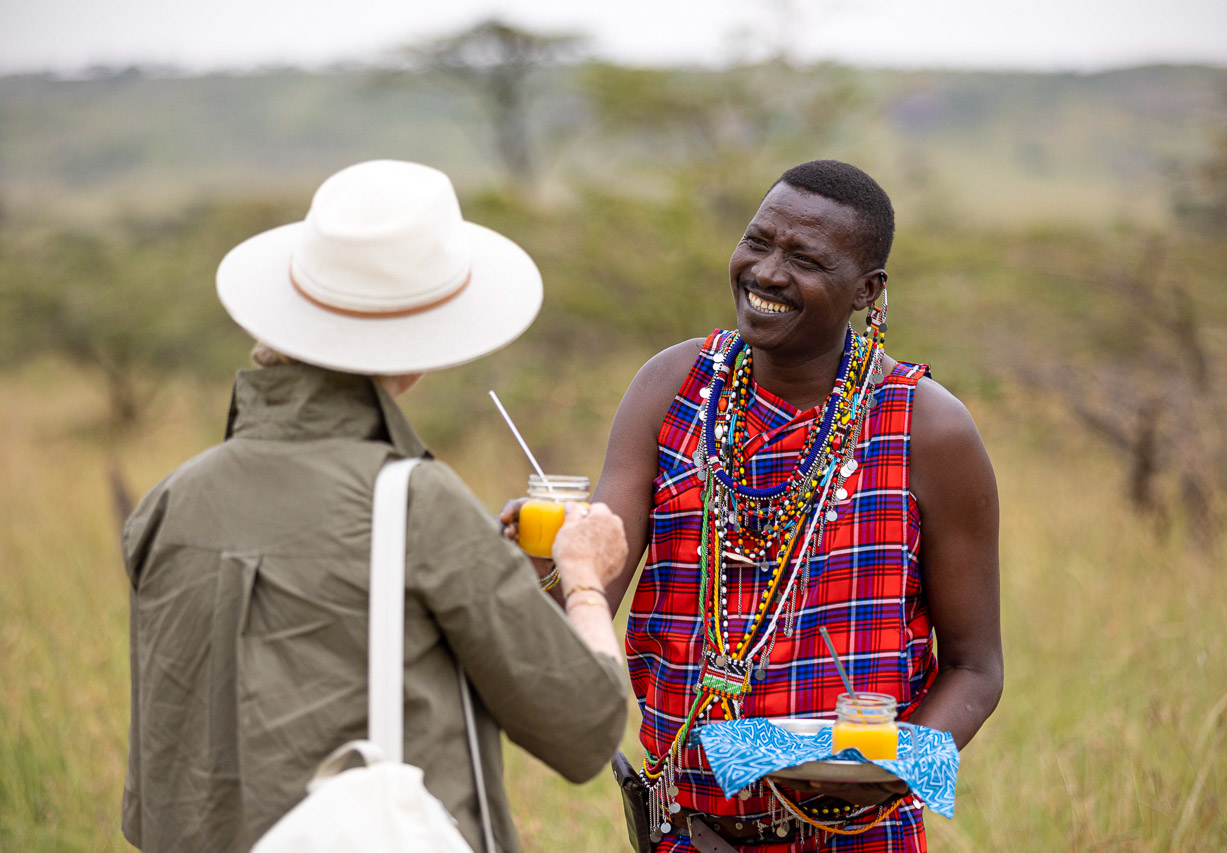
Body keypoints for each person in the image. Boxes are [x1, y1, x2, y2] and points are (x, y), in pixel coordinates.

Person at [121, 160, 631, 853]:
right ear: (420, 345)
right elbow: (586, 726)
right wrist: (583, 575)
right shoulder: (420, 502)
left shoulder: (169, 500)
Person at [507, 160, 1002, 851]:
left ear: (868, 290)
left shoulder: (926, 427)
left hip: (855, 837)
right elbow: (588, 595)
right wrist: (538, 561)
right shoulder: (672, 386)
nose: (767, 272)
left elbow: (976, 668)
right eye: (758, 241)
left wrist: (894, 766)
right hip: (684, 832)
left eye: (804, 258)